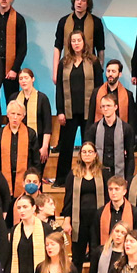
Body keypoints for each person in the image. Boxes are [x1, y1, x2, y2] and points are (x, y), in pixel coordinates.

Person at [56, 30, 99, 179]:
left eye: (78, 40)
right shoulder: (64, 62)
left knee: (88, 146)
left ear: (84, 42)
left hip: (89, 111)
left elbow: (99, 88)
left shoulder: (93, 61)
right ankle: (62, 179)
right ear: (70, 44)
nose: (76, 43)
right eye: (73, 41)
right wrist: (60, 110)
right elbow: (59, 89)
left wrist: (98, 111)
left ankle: (90, 175)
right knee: (66, 146)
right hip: (69, 112)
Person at [89, 93, 136, 181]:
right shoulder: (94, 128)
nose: (105, 109)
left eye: (108, 106)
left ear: (116, 107)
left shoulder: (126, 128)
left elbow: (130, 156)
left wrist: (128, 178)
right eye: (103, 106)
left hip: (119, 173)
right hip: (99, 173)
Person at [15, 68, 54, 162]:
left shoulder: (42, 99)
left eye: (26, 78)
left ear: (33, 79)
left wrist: (45, 147)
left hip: (39, 142)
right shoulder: (14, 98)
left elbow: (47, 125)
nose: (23, 81)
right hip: (19, 142)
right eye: (21, 78)